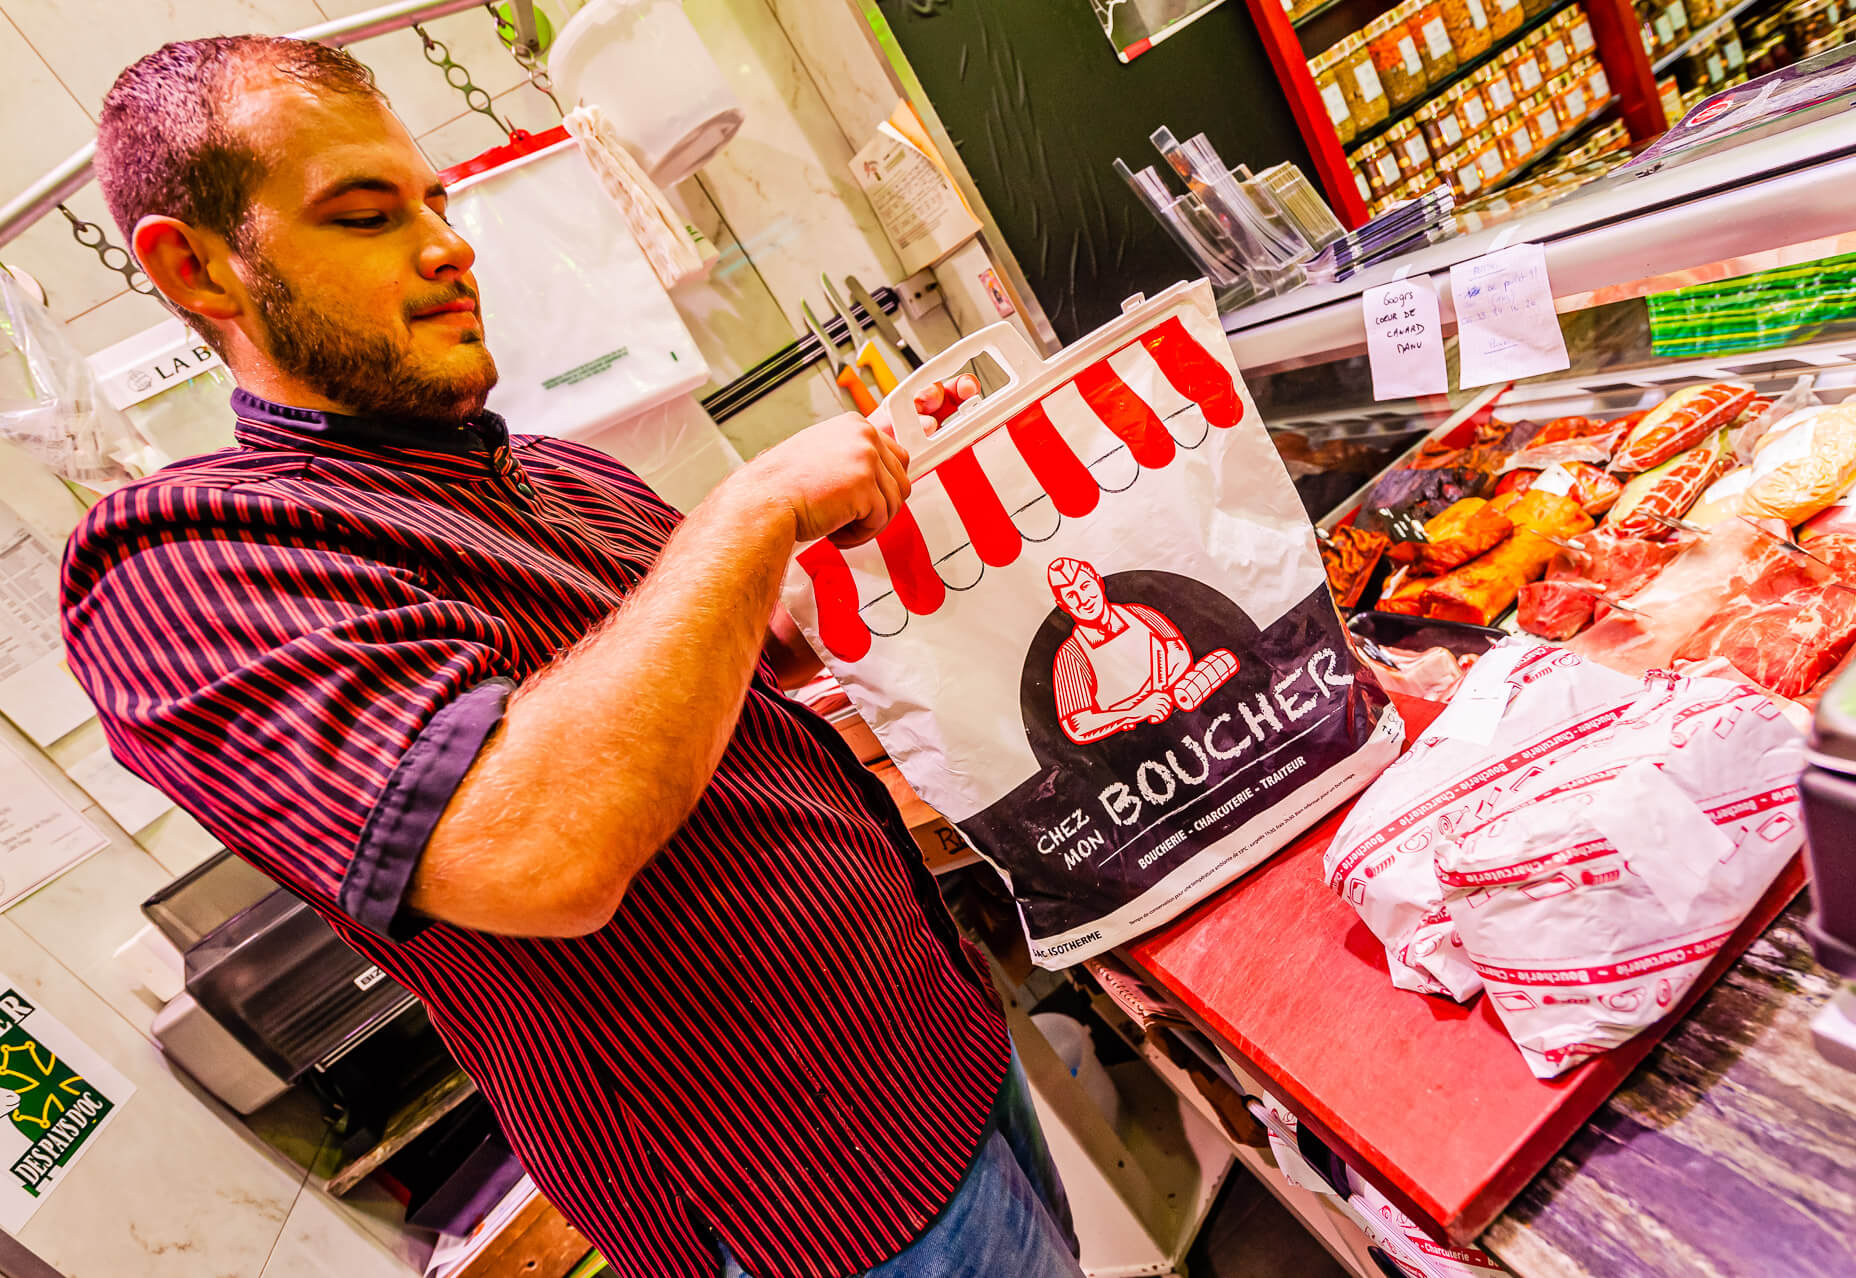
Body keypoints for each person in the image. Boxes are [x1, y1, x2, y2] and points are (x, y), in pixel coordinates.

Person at [60, 36, 1079, 1278]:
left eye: (433, 201)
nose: (449, 245)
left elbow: (741, 667)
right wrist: (751, 512)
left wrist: (862, 530)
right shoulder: (181, 557)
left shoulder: (553, 473)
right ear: (200, 265)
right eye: (369, 214)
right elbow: (541, 851)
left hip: (945, 1044)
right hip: (815, 1202)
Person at [1049, 557, 1236, 744]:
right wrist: (1135, 710)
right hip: (1141, 751)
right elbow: (1077, 724)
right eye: (1071, 596)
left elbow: (1177, 648)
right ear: (1063, 605)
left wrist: (1170, 688)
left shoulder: (1139, 613)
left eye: (1085, 586)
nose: (1083, 600)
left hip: (1204, 727)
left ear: (1098, 582)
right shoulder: (1070, 655)